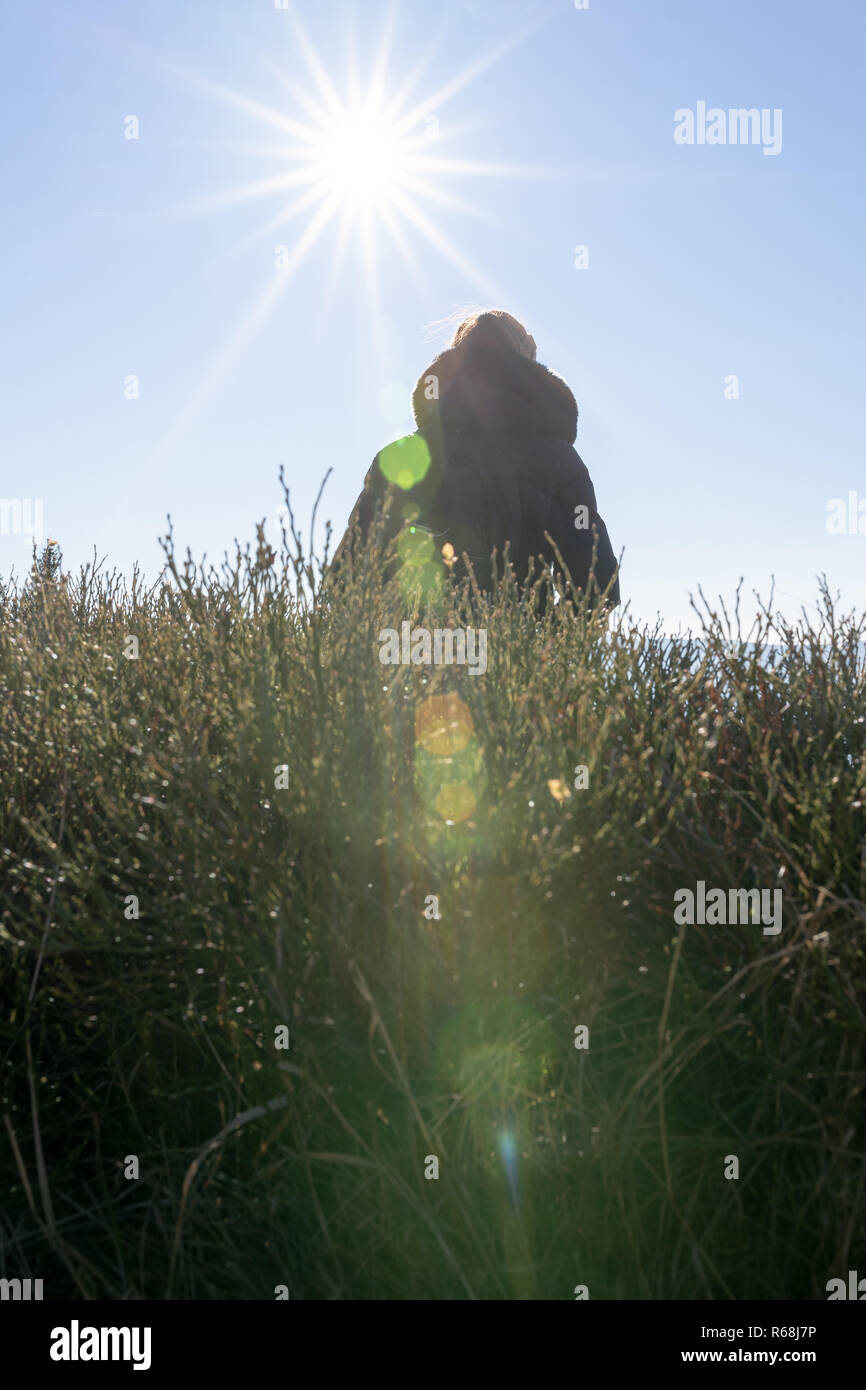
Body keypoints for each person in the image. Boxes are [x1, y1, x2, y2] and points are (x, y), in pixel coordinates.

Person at [332, 309, 620, 611]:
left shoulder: (399, 458)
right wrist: (544, 648)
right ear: (528, 363)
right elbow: (595, 592)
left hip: (406, 649)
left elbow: (345, 585)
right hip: (515, 653)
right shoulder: (560, 462)